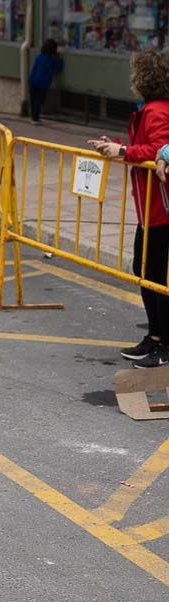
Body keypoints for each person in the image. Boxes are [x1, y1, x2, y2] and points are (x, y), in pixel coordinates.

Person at [90, 49, 169, 368]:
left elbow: (160, 149)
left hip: (161, 209)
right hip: (150, 209)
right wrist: (118, 149)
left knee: (156, 276)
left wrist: (123, 150)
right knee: (145, 271)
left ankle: (164, 342)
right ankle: (154, 336)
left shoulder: (156, 111)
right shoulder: (151, 110)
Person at [29, 38, 63, 124]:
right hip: (43, 84)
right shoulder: (51, 60)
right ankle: (35, 118)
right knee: (39, 101)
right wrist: (59, 58)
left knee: (34, 100)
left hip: (33, 81)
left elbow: (34, 68)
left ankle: (34, 117)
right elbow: (59, 67)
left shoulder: (39, 57)